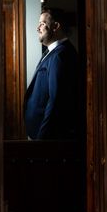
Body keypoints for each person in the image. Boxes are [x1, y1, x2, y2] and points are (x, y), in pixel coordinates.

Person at [24, 7, 81, 140]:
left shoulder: (60, 55)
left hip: (45, 137)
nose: (38, 28)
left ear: (55, 26)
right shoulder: (53, 52)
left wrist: (42, 138)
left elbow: (56, 100)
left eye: (42, 23)